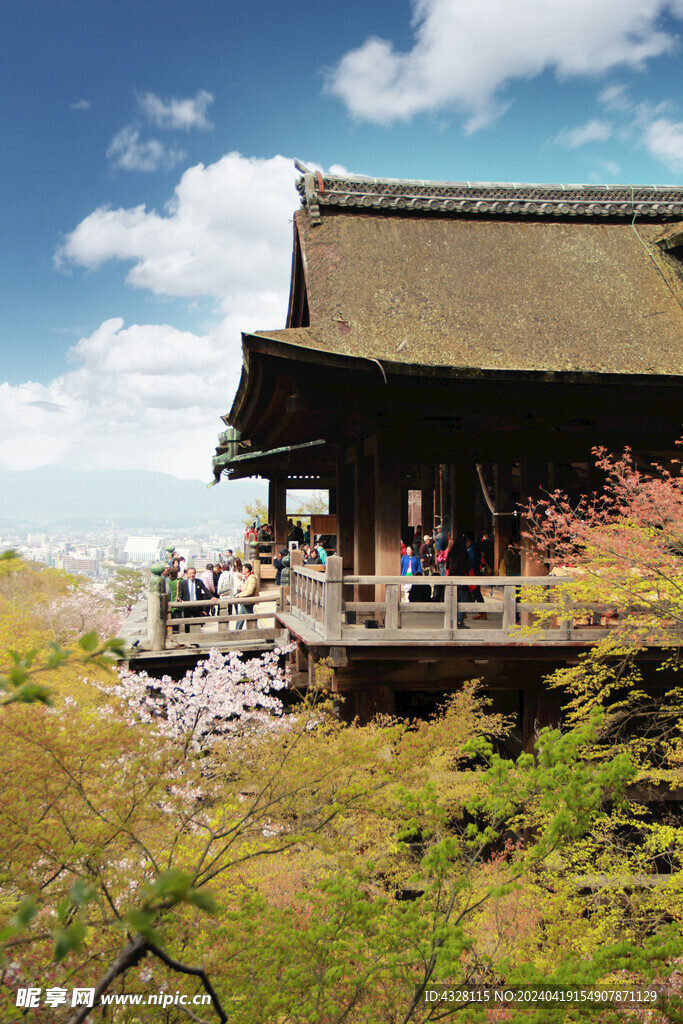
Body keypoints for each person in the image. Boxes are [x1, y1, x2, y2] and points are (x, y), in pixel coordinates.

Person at [176, 567, 217, 632]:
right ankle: (188, 638)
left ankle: (195, 640)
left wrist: (212, 597)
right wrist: (179, 599)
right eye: (190, 573)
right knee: (187, 623)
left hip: (197, 606)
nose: (192, 575)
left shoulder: (199, 582)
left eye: (193, 573)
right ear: (187, 574)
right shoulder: (183, 583)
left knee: (197, 623)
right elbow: (181, 593)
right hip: (187, 606)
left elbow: (206, 590)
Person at [235, 562, 259, 630]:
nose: (242, 570)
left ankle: (255, 630)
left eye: (243, 569)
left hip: (248, 600)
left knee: (249, 617)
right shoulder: (247, 577)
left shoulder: (251, 578)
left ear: (247, 569)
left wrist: (239, 595)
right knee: (242, 616)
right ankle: (237, 630)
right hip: (245, 600)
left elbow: (250, 591)